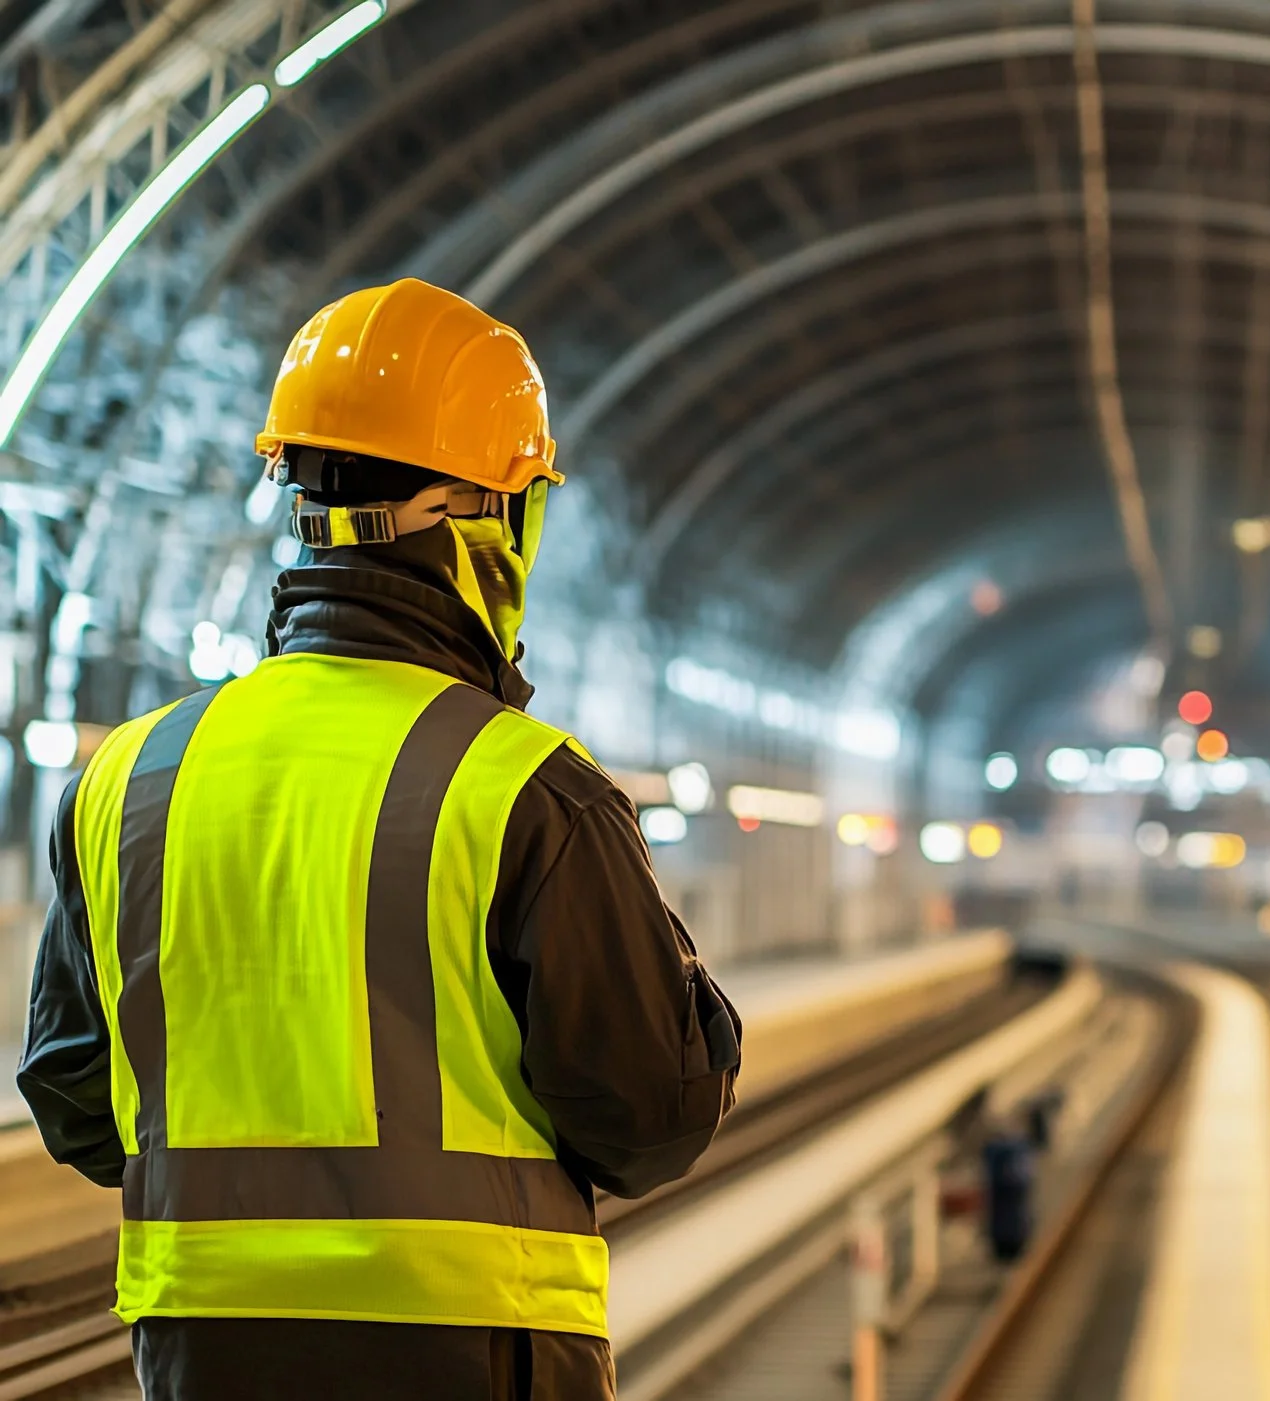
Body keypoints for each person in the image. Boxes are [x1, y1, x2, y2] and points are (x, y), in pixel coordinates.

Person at [15, 279, 741, 1400]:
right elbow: (648, 1118)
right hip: (472, 1348)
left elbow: (73, 1094)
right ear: (482, 521)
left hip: (202, 1355)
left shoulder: (129, 777)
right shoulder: (526, 789)